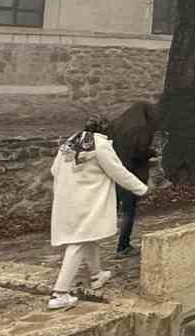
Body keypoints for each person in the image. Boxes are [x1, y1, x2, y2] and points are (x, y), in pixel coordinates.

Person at [48, 117, 148, 311]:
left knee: (89, 237)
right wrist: (141, 189)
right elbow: (117, 172)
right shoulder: (101, 145)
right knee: (77, 242)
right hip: (87, 201)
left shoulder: (69, 143)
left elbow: (54, 170)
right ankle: (59, 293)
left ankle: (97, 275)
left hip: (68, 200)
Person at [110, 100, 161, 257]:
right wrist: (152, 153)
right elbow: (138, 153)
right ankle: (123, 246)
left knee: (114, 209)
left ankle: (96, 242)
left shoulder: (117, 125)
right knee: (128, 211)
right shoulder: (140, 129)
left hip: (115, 171)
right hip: (131, 174)